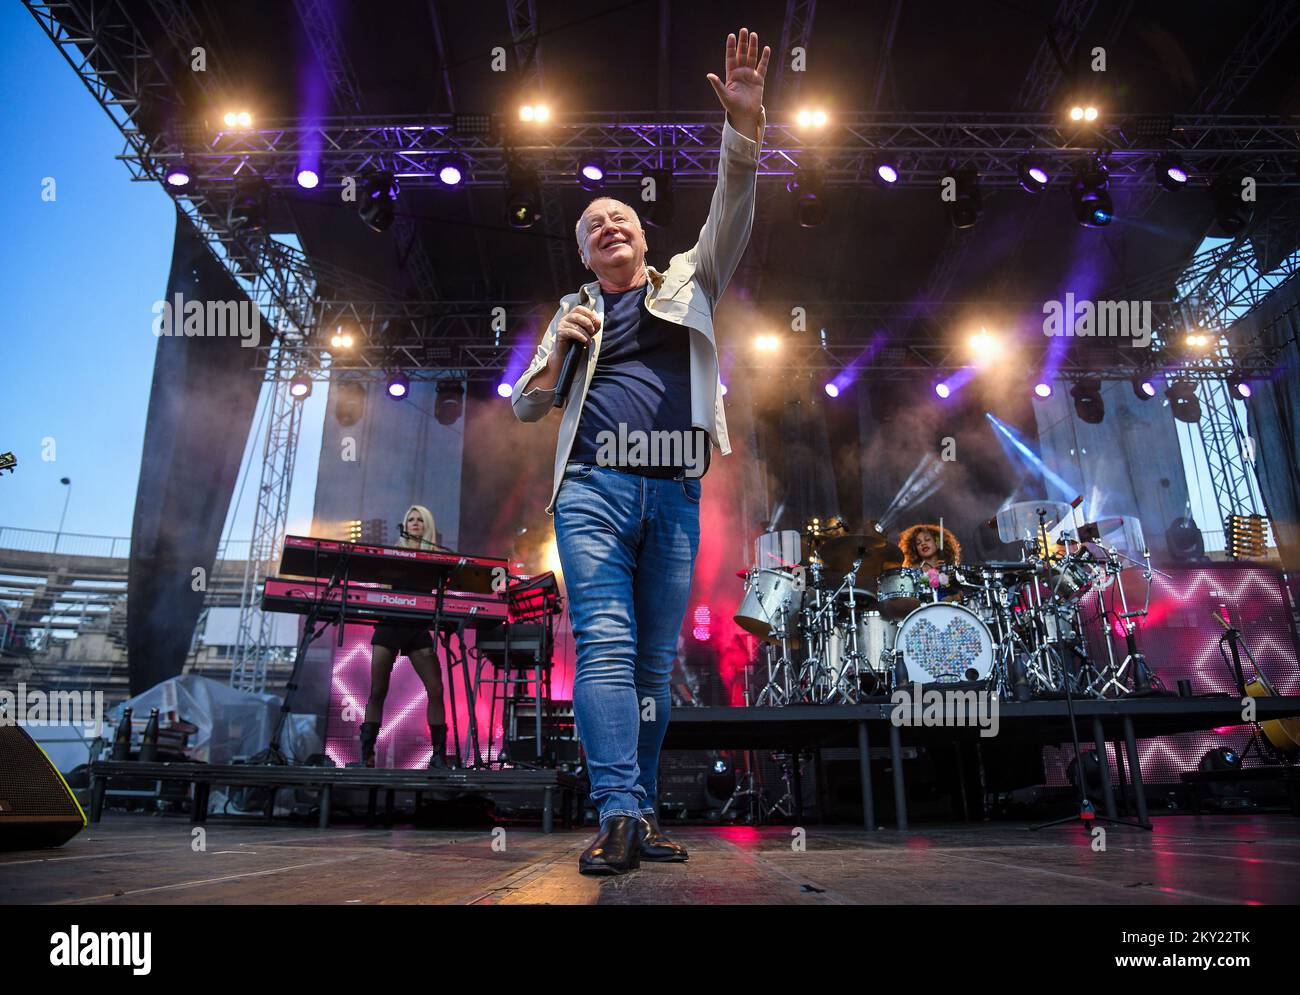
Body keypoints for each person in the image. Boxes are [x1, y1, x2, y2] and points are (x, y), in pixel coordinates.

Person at [511, 28, 769, 874]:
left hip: (674, 491)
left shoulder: (692, 278)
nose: (609, 223)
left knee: (656, 662)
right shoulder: (571, 309)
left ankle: (641, 809)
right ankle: (617, 811)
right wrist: (554, 353)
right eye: (593, 225)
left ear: (642, 240)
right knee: (608, 644)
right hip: (592, 487)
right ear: (585, 253)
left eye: (620, 215)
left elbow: (733, 200)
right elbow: (525, 405)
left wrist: (744, 125)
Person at [357, 505, 450, 769]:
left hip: (418, 626)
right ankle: (367, 754)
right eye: (411, 519)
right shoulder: (393, 552)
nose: (415, 523)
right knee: (377, 690)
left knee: (436, 688)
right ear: (404, 524)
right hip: (390, 623)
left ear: (427, 525)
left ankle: (438, 755)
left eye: (420, 519)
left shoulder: (437, 556)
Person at [898, 523, 963, 599]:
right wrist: (933, 573)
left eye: (927, 539)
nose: (923, 543)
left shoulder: (947, 566)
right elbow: (917, 587)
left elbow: (950, 587)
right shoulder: (914, 570)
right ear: (915, 549)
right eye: (918, 543)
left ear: (938, 542)